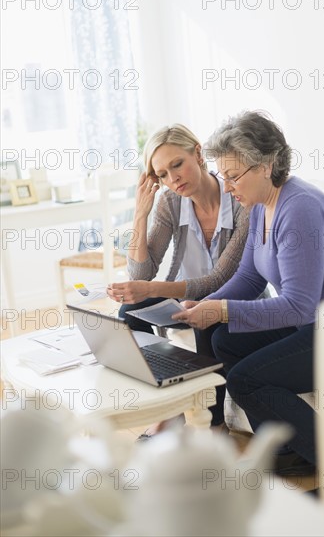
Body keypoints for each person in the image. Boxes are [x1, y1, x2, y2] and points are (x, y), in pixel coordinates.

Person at [172, 110, 324, 474]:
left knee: (246, 377)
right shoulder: (262, 206)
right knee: (224, 339)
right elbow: (249, 277)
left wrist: (222, 309)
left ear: (266, 165)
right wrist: (205, 306)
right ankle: (286, 449)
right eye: (223, 176)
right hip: (314, 323)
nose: (227, 187)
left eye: (233, 177)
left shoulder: (300, 209)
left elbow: (298, 306)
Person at [107, 123, 249, 428]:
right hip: (183, 293)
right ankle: (165, 411)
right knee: (128, 312)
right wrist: (139, 214)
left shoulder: (238, 199)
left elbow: (222, 278)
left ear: (197, 153)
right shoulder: (170, 201)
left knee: (207, 316)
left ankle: (216, 426)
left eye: (177, 164)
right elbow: (141, 271)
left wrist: (150, 288)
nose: (173, 179)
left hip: (232, 295)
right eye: (162, 175)